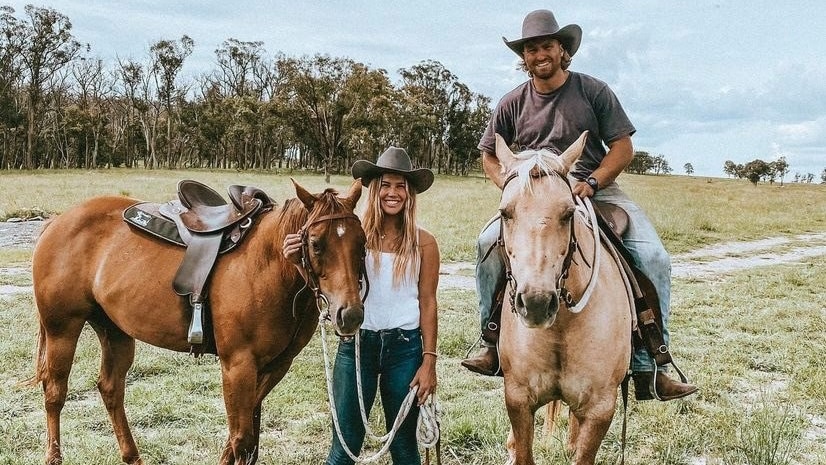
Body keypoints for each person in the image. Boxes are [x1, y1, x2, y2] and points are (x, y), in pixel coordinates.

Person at [460, 9, 698, 401]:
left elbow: (623, 147)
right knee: (486, 245)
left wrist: (591, 181)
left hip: (595, 188)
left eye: (547, 46)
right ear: (525, 57)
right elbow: (489, 153)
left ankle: (653, 361)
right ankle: (490, 340)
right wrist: (509, 184)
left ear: (562, 49)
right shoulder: (512, 102)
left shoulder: (594, 91)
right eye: (532, 49)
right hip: (535, 195)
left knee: (654, 257)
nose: (540, 54)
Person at [283, 147, 440, 464]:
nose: (392, 194)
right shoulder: (355, 236)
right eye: (385, 185)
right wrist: (297, 261)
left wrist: (429, 361)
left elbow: (428, 301)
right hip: (357, 345)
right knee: (344, 446)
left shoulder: (424, 243)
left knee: (405, 448)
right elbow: (326, 280)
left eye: (400, 186)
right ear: (374, 189)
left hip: (405, 349)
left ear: (409, 193)